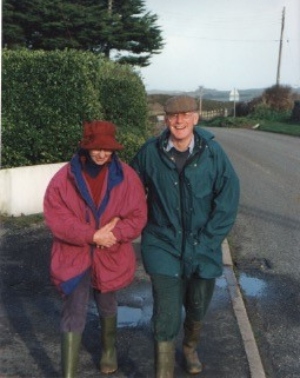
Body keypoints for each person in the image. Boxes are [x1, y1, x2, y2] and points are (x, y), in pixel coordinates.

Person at [131, 95, 240, 377]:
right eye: (173, 115)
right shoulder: (149, 153)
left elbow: (227, 200)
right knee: (166, 312)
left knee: (196, 306)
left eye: (185, 114)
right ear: (165, 119)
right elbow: (129, 194)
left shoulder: (213, 154)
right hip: (162, 244)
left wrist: (208, 240)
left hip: (203, 245)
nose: (179, 120)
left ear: (195, 117)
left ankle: (190, 347)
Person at [43, 120, 147, 377]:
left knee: (107, 303)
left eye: (107, 148)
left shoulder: (127, 177)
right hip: (74, 255)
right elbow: (57, 218)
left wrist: (115, 233)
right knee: (73, 310)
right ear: (86, 147)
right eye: (96, 148)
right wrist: (91, 235)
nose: (101, 153)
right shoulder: (63, 178)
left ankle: (108, 350)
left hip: (110, 254)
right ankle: (68, 373)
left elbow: (137, 215)